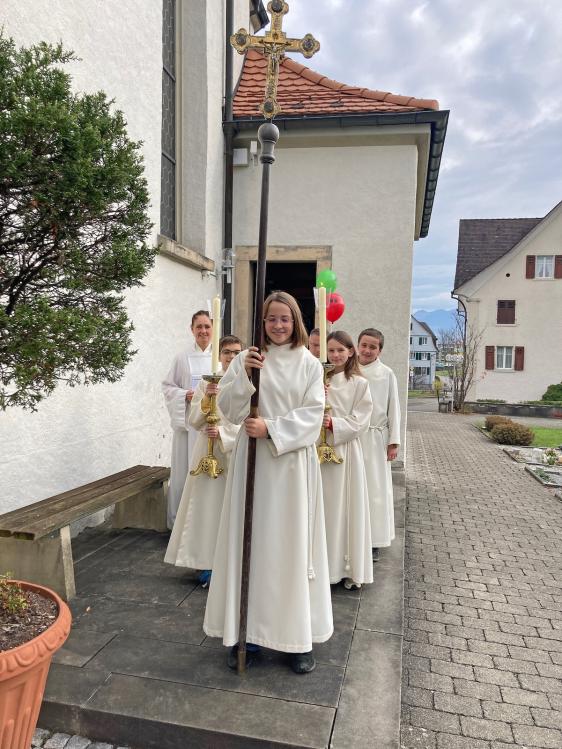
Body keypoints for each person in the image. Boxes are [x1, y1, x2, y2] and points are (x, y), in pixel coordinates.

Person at [204, 291, 333, 674]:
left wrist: (271, 428)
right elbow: (228, 409)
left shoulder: (309, 364)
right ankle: (248, 635)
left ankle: (296, 640)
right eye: (271, 318)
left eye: (285, 318)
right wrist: (245, 375)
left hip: (290, 467)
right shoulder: (248, 359)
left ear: (296, 322)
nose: (278, 325)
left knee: (290, 549)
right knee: (252, 545)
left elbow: (313, 414)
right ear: (262, 322)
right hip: (253, 465)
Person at [164, 336, 243, 586]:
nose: (231, 357)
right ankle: (204, 560)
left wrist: (224, 433)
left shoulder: (248, 383)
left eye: (236, 352)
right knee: (206, 508)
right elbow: (195, 420)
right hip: (206, 452)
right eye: (227, 352)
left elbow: (252, 421)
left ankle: (231, 562)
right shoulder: (207, 383)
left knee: (231, 508)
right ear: (219, 355)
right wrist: (206, 399)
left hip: (234, 452)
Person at [321, 331, 373, 590]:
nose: (335, 355)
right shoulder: (320, 379)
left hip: (345, 451)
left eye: (340, 350)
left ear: (351, 351)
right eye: (331, 350)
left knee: (344, 508)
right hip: (318, 449)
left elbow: (361, 420)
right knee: (323, 508)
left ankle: (344, 567)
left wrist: (334, 423)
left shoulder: (359, 384)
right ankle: (320, 565)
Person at [162, 310, 213, 528]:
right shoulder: (181, 358)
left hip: (210, 425)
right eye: (198, 326)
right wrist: (185, 395)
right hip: (189, 425)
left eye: (207, 326)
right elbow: (168, 387)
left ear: (213, 329)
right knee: (184, 472)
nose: (203, 331)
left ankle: (205, 523)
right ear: (191, 329)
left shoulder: (219, 358)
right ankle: (180, 524)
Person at [357, 328, 400, 560]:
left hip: (376, 438)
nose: (367, 350)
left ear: (380, 350)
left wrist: (394, 442)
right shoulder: (349, 369)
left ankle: (374, 539)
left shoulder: (386, 373)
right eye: (364, 345)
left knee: (375, 490)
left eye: (372, 347)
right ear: (357, 345)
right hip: (354, 437)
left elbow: (394, 408)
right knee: (355, 487)